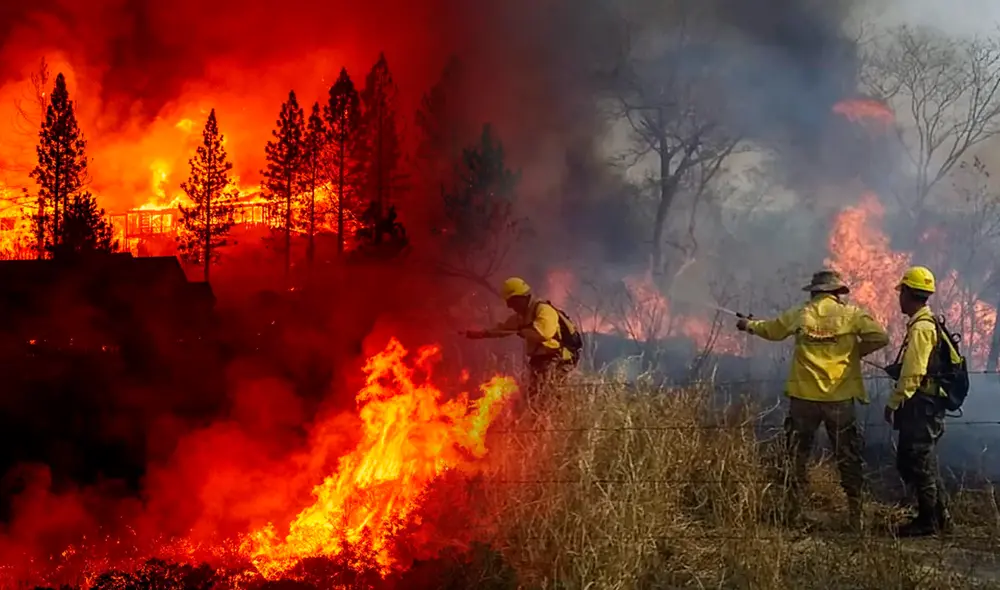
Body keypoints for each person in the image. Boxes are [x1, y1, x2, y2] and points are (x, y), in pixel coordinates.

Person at [737, 269, 889, 530]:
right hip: (839, 398)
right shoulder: (851, 314)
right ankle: (856, 516)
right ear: (836, 293)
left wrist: (749, 325)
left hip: (803, 398)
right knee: (847, 456)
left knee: (796, 454)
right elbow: (880, 337)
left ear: (815, 292)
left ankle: (792, 512)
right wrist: (854, 353)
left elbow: (772, 330)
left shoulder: (800, 313)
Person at [884, 266, 954, 536]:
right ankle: (939, 516)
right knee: (921, 460)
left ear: (910, 294)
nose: (899, 297)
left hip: (921, 406)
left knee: (917, 460)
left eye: (902, 292)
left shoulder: (923, 328)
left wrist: (894, 401)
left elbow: (914, 373)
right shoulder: (924, 324)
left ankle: (929, 522)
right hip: (924, 404)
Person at [464, 277, 577, 404]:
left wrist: (524, 331)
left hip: (557, 358)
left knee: (549, 397)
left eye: (511, 302)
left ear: (520, 297)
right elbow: (503, 329)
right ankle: (539, 421)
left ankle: (555, 420)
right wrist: (481, 334)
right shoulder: (522, 316)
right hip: (540, 360)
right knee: (534, 397)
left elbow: (545, 333)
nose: (509, 306)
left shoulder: (543, 310)